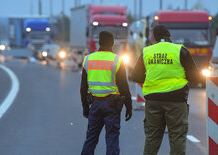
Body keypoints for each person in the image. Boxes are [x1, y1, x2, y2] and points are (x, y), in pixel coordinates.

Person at [131, 25, 200, 155]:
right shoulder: (180, 50)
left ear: (154, 38)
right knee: (177, 137)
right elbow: (195, 77)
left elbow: (135, 76)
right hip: (176, 101)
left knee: (152, 138)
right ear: (169, 37)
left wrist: (152, 76)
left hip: (153, 101)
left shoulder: (147, 51)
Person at [80, 31, 133, 155]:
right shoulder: (117, 60)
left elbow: (83, 87)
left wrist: (85, 107)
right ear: (112, 43)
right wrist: (128, 106)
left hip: (94, 104)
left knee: (91, 139)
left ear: (99, 42)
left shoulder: (88, 59)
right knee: (112, 138)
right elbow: (124, 87)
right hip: (112, 105)